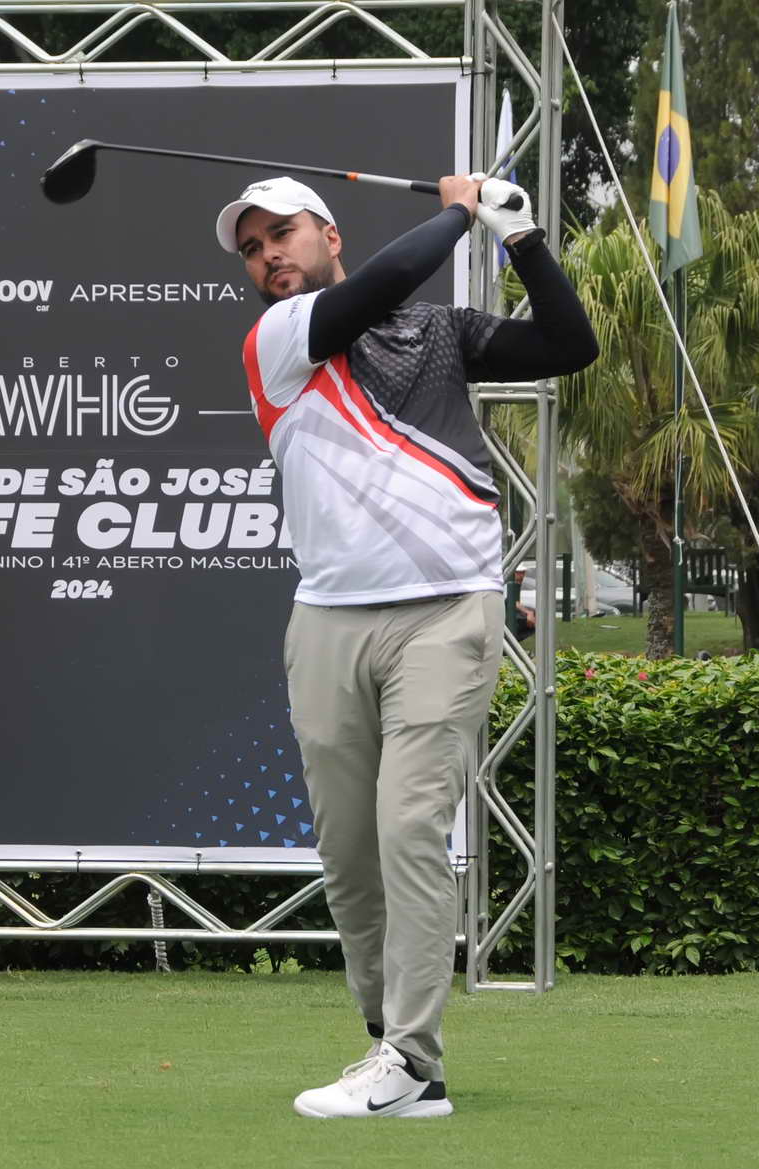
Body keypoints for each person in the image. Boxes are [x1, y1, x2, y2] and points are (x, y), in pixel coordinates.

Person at [218, 172, 597, 1119]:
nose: (268, 255)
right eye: (253, 247)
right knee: (349, 854)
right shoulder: (280, 339)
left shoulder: (440, 333)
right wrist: (460, 210)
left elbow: (569, 345)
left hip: (447, 610)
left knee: (408, 826)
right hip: (328, 619)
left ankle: (412, 1059)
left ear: (329, 233)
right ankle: (388, 1042)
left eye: (283, 233)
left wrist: (520, 237)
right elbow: (383, 282)